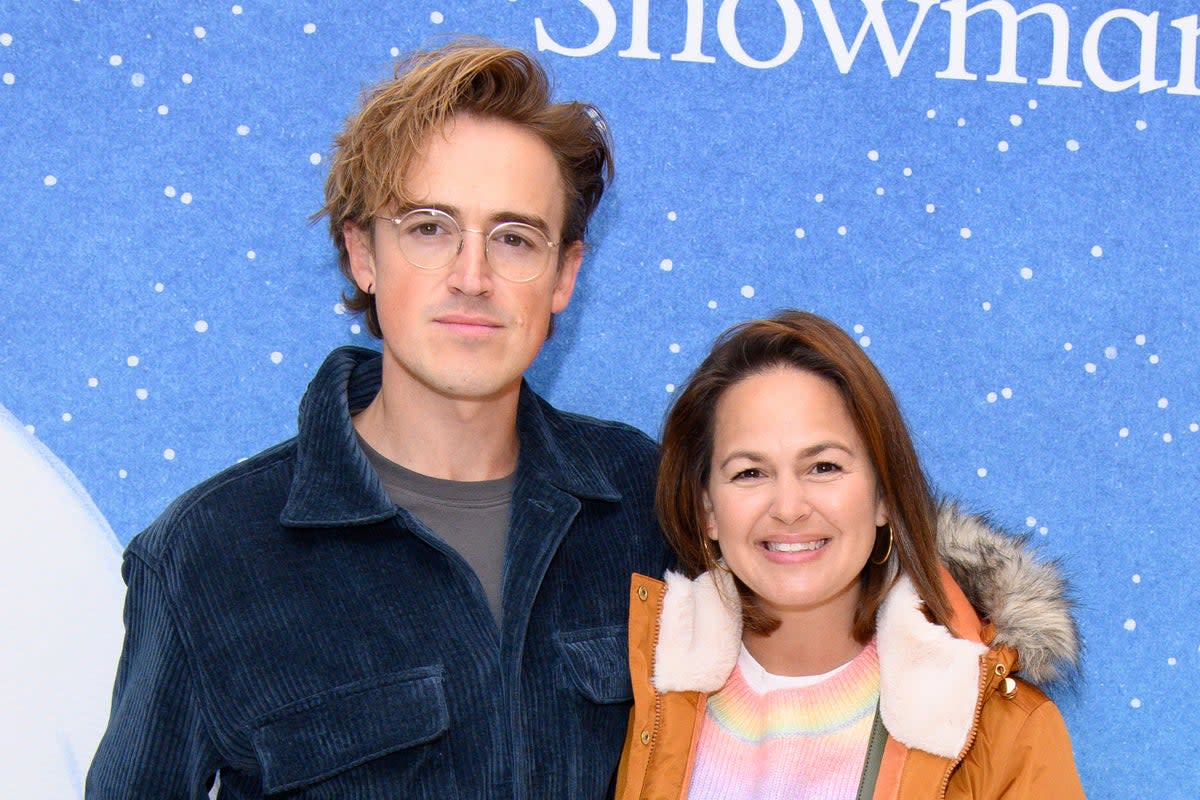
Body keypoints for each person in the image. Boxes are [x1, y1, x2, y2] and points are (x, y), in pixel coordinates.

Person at [87, 39, 669, 799]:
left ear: (564, 274)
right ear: (363, 253)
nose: (472, 276)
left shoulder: (649, 504)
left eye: (515, 238)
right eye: (429, 227)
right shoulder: (206, 557)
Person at [615, 310, 1085, 799]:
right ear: (707, 509)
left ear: (884, 494)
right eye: (750, 473)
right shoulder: (650, 690)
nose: (789, 508)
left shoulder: (1003, 731)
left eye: (823, 466)